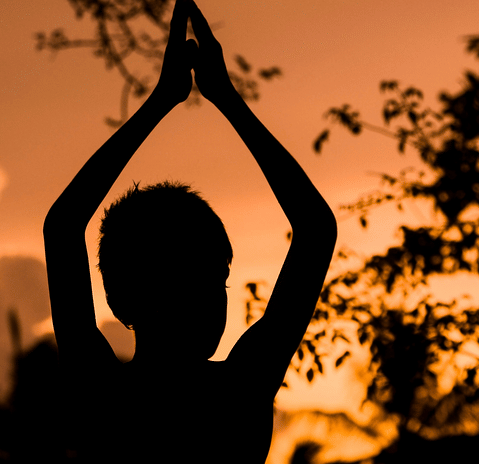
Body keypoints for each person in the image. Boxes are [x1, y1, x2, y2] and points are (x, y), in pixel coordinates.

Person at [43, 0, 337, 461]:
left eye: (216, 281)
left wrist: (163, 101)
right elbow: (316, 228)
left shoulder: (104, 395)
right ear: (125, 302)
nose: (209, 300)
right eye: (184, 284)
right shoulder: (240, 390)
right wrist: (223, 99)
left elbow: (63, 226)